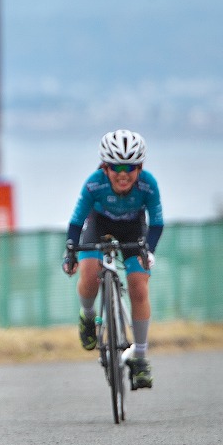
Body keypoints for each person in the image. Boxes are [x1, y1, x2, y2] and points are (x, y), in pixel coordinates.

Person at [61, 130, 164, 390]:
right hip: (99, 225)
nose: (123, 174)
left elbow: (157, 224)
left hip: (133, 229)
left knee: (139, 286)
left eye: (130, 167)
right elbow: (75, 223)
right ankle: (88, 315)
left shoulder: (148, 185)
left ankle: (139, 356)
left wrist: (148, 251)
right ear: (105, 167)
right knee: (89, 274)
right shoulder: (94, 184)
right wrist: (70, 252)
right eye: (116, 166)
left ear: (140, 168)